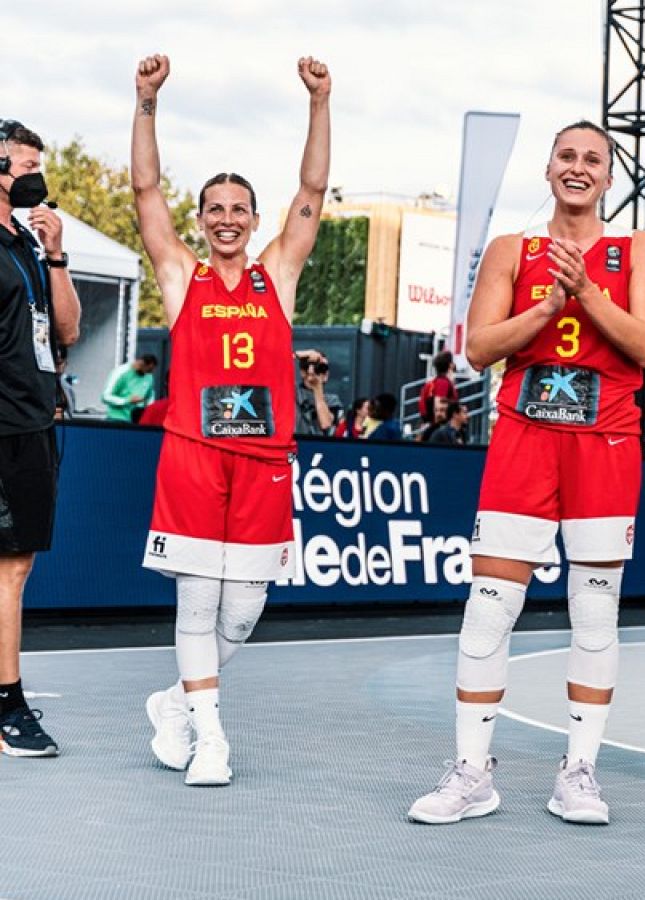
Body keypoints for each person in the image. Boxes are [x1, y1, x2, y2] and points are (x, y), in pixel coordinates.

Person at [407, 120, 645, 826]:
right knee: (488, 609)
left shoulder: (638, 247)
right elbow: (478, 346)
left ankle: (578, 772)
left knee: (593, 611)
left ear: (610, 177)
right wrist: (547, 306)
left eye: (593, 159)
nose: (578, 167)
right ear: (548, 169)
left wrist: (586, 292)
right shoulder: (511, 250)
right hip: (525, 436)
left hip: (604, 440)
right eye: (567, 156)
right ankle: (472, 774)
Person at [133, 54, 330, 786]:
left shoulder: (275, 274)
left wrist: (319, 102)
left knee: (242, 614)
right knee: (198, 601)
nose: (225, 218)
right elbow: (145, 189)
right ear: (202, 219)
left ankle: (178, 705)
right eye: (213, 208)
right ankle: (211, 739)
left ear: (252, 219)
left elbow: (312, 188)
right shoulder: (181, 277)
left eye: (237, 208)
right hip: (192, 454)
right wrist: (147, 102)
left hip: (262, 462)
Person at [0, 118, 81, 757]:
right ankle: (8, 706)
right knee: (7, 568)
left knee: (18, 563)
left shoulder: (26, 242)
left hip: (34, 419)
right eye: (27, 164)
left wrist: (54, 254)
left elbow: (68, 329)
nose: (37, 178)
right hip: (2, 422)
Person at [101, 354, 158, 422]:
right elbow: (105, 397)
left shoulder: (149, 376)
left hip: (138, 420)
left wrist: (148, 412)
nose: (149, 373)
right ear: (141, 363)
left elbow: (150, 397)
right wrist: (127, 400)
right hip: (117, 419)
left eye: (150, 371)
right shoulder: (121, 372)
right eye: (148, 370)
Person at [294, 348, 337, 436]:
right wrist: (297, 354)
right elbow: (265, 366)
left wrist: (317, 388)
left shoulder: (332, 400)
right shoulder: (291, 391)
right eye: (319, 367)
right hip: (293, 445)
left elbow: (326, 424)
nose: (324, 372)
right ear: (302, 372)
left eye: (324, 368)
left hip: (317, 447)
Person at [418, 349, 458, 419]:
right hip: (440, 425)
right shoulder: (442, 383)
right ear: (450, 365)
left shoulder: (439, 381)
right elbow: (439, 407)